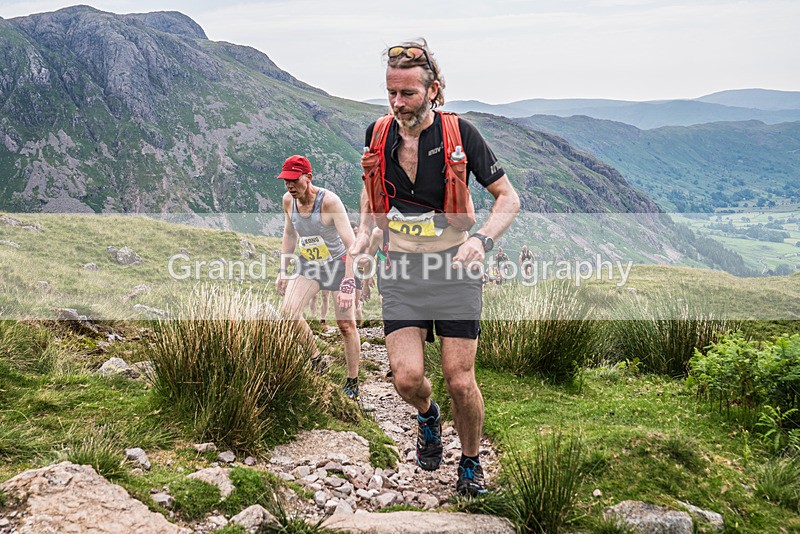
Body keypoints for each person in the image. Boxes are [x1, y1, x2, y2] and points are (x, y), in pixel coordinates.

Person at [350, 39, 520, 496]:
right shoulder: (378, 133)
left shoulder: (461, 134)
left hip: (455, 272)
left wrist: (482, 241)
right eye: (391, 93)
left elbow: (508, 198)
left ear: (434, 90)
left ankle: (469, 462)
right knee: (406, 379)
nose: (397, 103)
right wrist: (365, 237)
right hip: (401, 271)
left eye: (407, 93)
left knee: (460, 380)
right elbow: (371, 193)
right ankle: (428, 416)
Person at [275, 155, 361, 400]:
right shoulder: (288, 201)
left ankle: (352, 382)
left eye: (294, 180)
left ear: (308, 178)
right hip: (309, 263)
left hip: (339, 264)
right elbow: (290, 234)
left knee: (346, 325)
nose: (290, 186)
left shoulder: (329, 202)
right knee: (288, 313)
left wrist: (348, 282)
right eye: (286, 181)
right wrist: (283, 270)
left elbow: (351, 244)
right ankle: (317, 360)